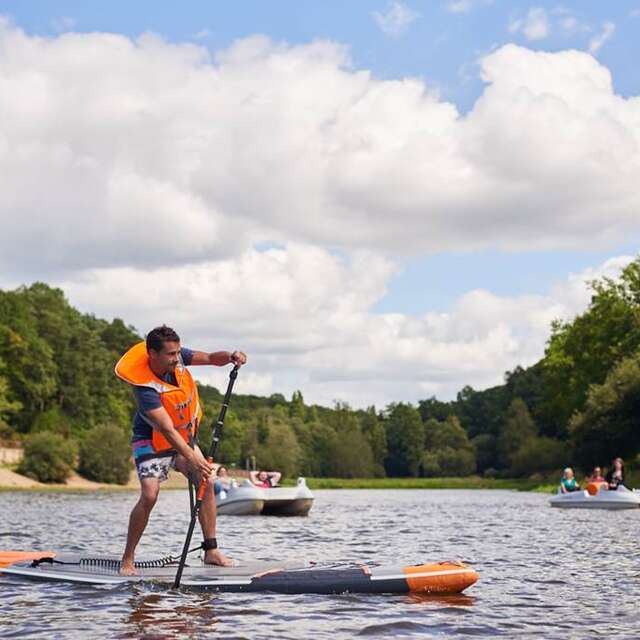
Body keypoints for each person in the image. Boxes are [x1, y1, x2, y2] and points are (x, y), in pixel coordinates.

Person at [115, 325, 247, 575]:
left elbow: (209, 358)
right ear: (152, 354)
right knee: (150, 495)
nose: (177, 359)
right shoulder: (144, 388)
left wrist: (230, 356)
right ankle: (128, 558)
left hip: (182, 437)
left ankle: (211, 551)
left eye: (178, 353)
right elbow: (165, 429)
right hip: (151, 441)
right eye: (171, 354)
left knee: (205, 478)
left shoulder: (178, 359)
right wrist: (191, 457)